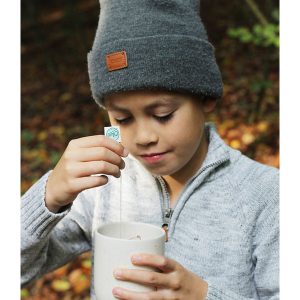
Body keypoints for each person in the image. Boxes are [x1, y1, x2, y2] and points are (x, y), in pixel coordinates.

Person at [21, 0, 279, 299]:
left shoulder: (268, 197)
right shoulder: (102, 185)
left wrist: (203, 295)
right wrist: (47, 199)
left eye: (163, 115)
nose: (142, 137)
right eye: (122, 118)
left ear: (206, 97)